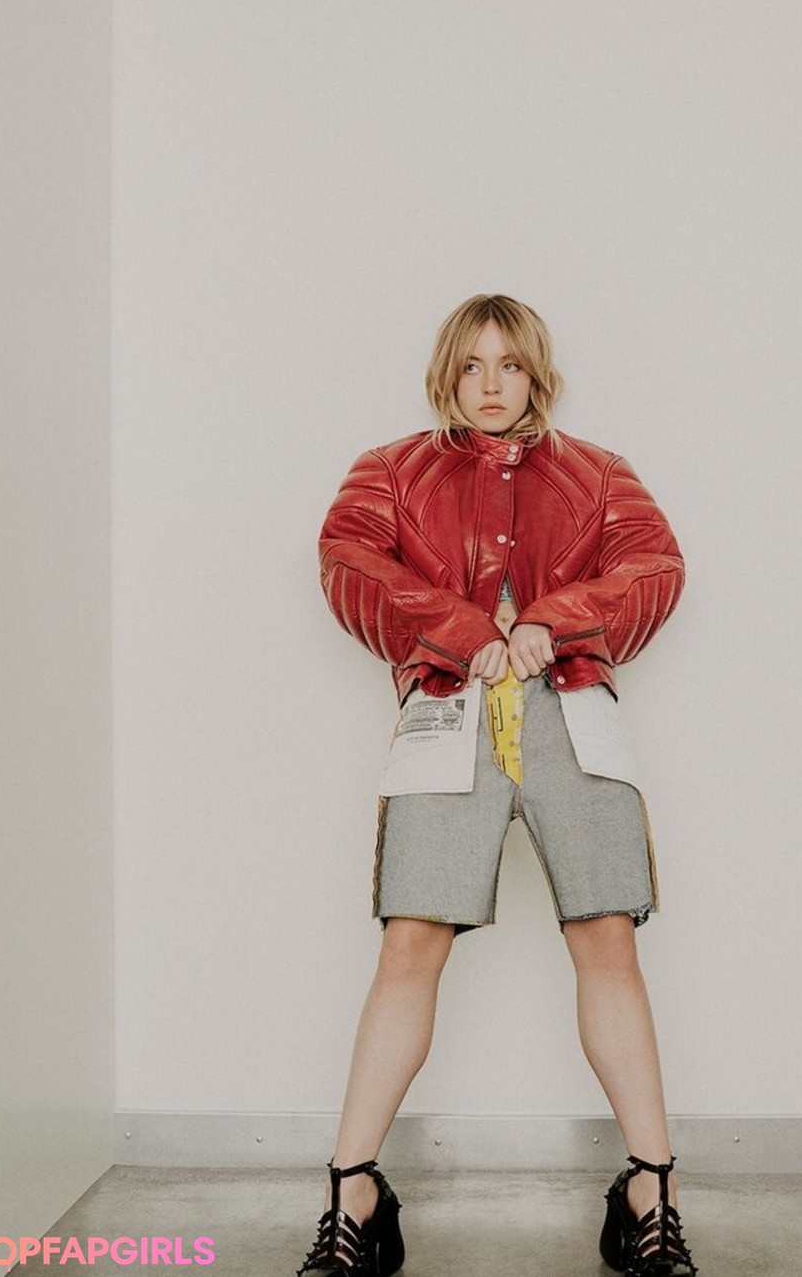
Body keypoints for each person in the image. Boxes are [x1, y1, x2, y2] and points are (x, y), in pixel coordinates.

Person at [297, 295, 695, 1277]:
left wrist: (555, 620)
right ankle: (353, 1191)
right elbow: (347, 559)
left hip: (573, 714)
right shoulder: (389, 471)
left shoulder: (599, 473)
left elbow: (655, 565)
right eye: (472, 364)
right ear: (447, 371)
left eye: (509, 364)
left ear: (536, 374)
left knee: (607, 937)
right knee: (410, 943)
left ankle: (651, 1191)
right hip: (448, 710)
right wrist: (462, 628)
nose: (489, 383)